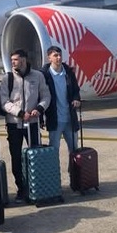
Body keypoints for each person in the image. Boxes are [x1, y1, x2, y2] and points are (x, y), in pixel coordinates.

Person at [0, 48, 50, 204]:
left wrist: (39, 108)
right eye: (12, 60)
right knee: (16, 157)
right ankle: (21, 189)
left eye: (16, 59)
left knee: (35, 155)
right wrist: (20, 113)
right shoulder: (7, 78)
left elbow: (46, 95)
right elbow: (4, 101)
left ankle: (37, 187)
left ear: (24, 60)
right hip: (14, 124)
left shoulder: (38, 76)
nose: (13, 62)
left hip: (33, 123)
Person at [40, 45, 82, 179]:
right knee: (54, 150)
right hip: (55, 120)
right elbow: (40, 96)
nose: (58, 58)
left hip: (69, 119)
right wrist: (41, 118)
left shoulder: (68, 72)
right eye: (55, 56)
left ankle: (75, 177)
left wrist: (76, 99)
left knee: (74, 150)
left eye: (59, 55)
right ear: (49, 58)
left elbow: (75, 90)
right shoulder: (44, 75)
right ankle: (54, 178)